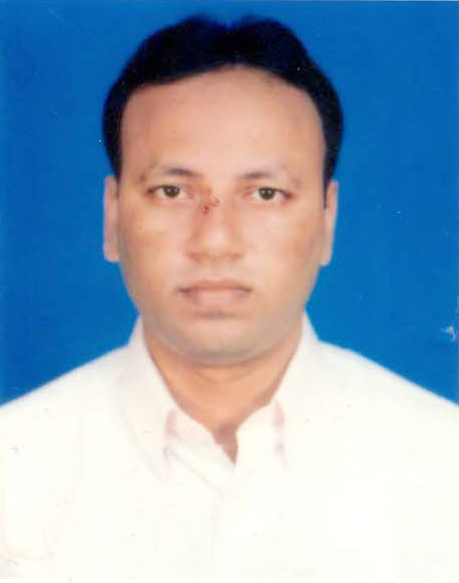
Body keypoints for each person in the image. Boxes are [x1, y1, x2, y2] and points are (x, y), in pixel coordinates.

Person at [1, 15, 458, 580]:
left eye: (265, 193)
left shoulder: (444, 467)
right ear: (113, 217)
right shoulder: (13, 467)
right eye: (172, 191)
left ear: (327, 220)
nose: (215, 241)